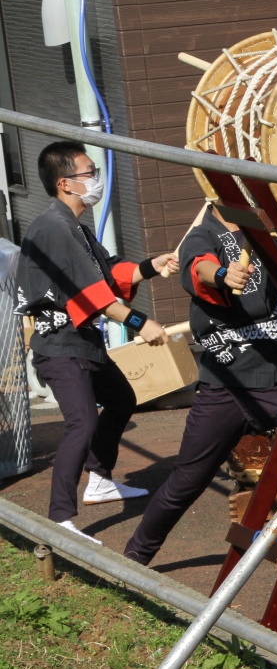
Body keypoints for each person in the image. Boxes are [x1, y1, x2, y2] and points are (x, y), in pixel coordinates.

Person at [123, 202, 277, 564]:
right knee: (188, 478)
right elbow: (199, 267)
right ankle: (133, 558)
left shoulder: (272, 229)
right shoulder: (203, 234)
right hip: (227, 382)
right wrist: (222, 275)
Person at [17, 141, 175, 542]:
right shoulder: (53, 227)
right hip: (60, 345)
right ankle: (59, 520)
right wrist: (140, 322)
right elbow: (93, 296)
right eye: (90, 173)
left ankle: (100, 479)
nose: (96, 180)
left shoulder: (75, 227)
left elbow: (109, 274)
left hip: (83, 342)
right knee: (82, 422)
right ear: (65, 183)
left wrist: (151, 266)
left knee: (121, 399)